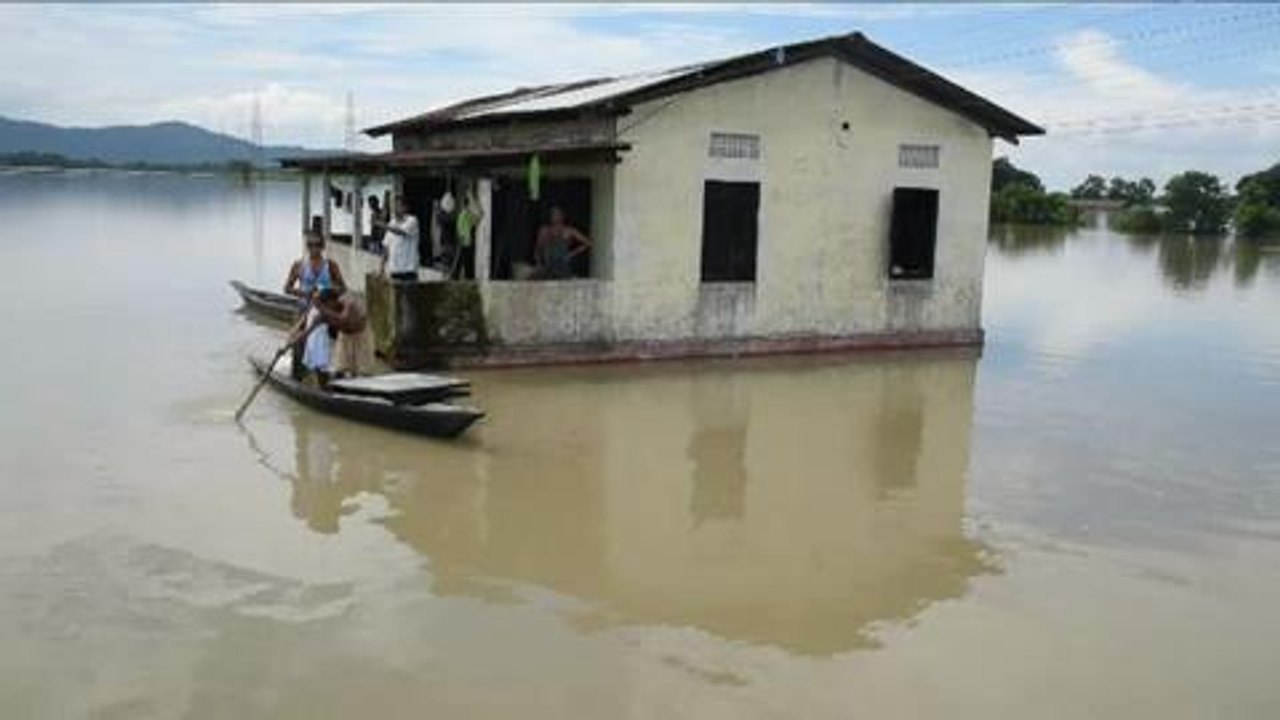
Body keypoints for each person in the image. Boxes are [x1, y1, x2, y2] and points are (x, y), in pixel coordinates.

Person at [313, 287, 375, 378]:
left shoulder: (348, 302)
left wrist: (323, 309)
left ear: (333, 300)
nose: (327, 306)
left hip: (361, 336)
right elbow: (309, 329)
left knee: (362, 371)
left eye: (327, 304)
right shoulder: (326, 311)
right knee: (341, 368)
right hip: (345, 337)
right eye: (324, 305)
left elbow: (343, 318)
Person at [284, 231, 347, 298]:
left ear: (323, 246)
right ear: (307, 246)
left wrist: (328, 291)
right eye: (311, 245)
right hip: (306, 304)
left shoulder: (331, 265)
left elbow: (343, 288)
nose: (314, 248)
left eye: (317, 245)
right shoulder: (299, 265)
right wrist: (303, 292)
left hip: (325, 304)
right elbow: (287, 288)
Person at [534, 206, 591, 280]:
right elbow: (538, 249)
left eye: (558, 214)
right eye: (553, 214)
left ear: (563, 216)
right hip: (547, 267)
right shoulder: (544, 230)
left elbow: (588, 243)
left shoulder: (569, 231)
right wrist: (538, 264)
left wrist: (571, 254)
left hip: (563, 267)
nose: (555, 216)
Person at [375, 195, 420, 282]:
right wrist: (381, 268)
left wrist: (383, 225)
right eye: (394, 206)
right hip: (394, 271)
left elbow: (401, 232)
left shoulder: (412, 220)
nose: (395, 209)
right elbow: (386, 247)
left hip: (409, 271)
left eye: (399, 206)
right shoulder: (392, 223)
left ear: (406, 208)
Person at [453, 190, 483, 280]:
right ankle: (459, 277)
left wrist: (472, 199)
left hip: (466, 242)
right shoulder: (464, 215)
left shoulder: (465, 215)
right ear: (467, 205)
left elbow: (479, 216)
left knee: (464, 264)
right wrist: (472, 200)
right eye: (470, 205)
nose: (471, 207)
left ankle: (463, 278)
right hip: (464, 242)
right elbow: (479, 216)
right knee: (463, 263)